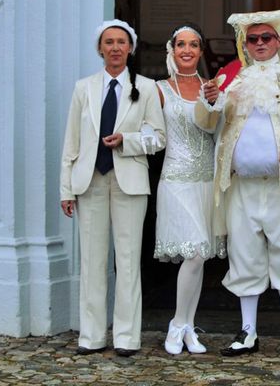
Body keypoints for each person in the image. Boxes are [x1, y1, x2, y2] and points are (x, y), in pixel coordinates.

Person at [194, 9, 280, 359]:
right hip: (241, 186)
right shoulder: (231, 80)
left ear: (279, 41)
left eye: (266, 37)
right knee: (244, 255)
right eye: (253, 39)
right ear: (245, 44)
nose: (260, 44)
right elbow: (208, 125)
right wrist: (209, 101)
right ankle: (247, 330)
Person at [60, 19, 166, 357]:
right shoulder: (83, 88)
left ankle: (126, 337)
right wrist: (66, 189)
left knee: (128, 260)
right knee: (91, 261)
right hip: (89, 181)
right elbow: (71, 141)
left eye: (121, 42)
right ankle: (91, 335)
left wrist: (127, 140)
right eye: (109, 42)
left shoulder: (146, 88)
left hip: (128, 182)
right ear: (100, 48)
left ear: (130, 48)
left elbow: (158, 137)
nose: (115, 48)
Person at [153, 23, 227, 355]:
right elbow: (150, 130)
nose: (187, 50)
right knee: (195, 253)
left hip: (206, 181)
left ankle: (187, 326)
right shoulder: (159, 89)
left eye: (193, 45)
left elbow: (221, 134)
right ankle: (177, 323)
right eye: (181, 44)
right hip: (176, 181)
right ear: (172, 49)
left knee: (199, 257)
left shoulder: (212, 88)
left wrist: (216, 104)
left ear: (200, 51)